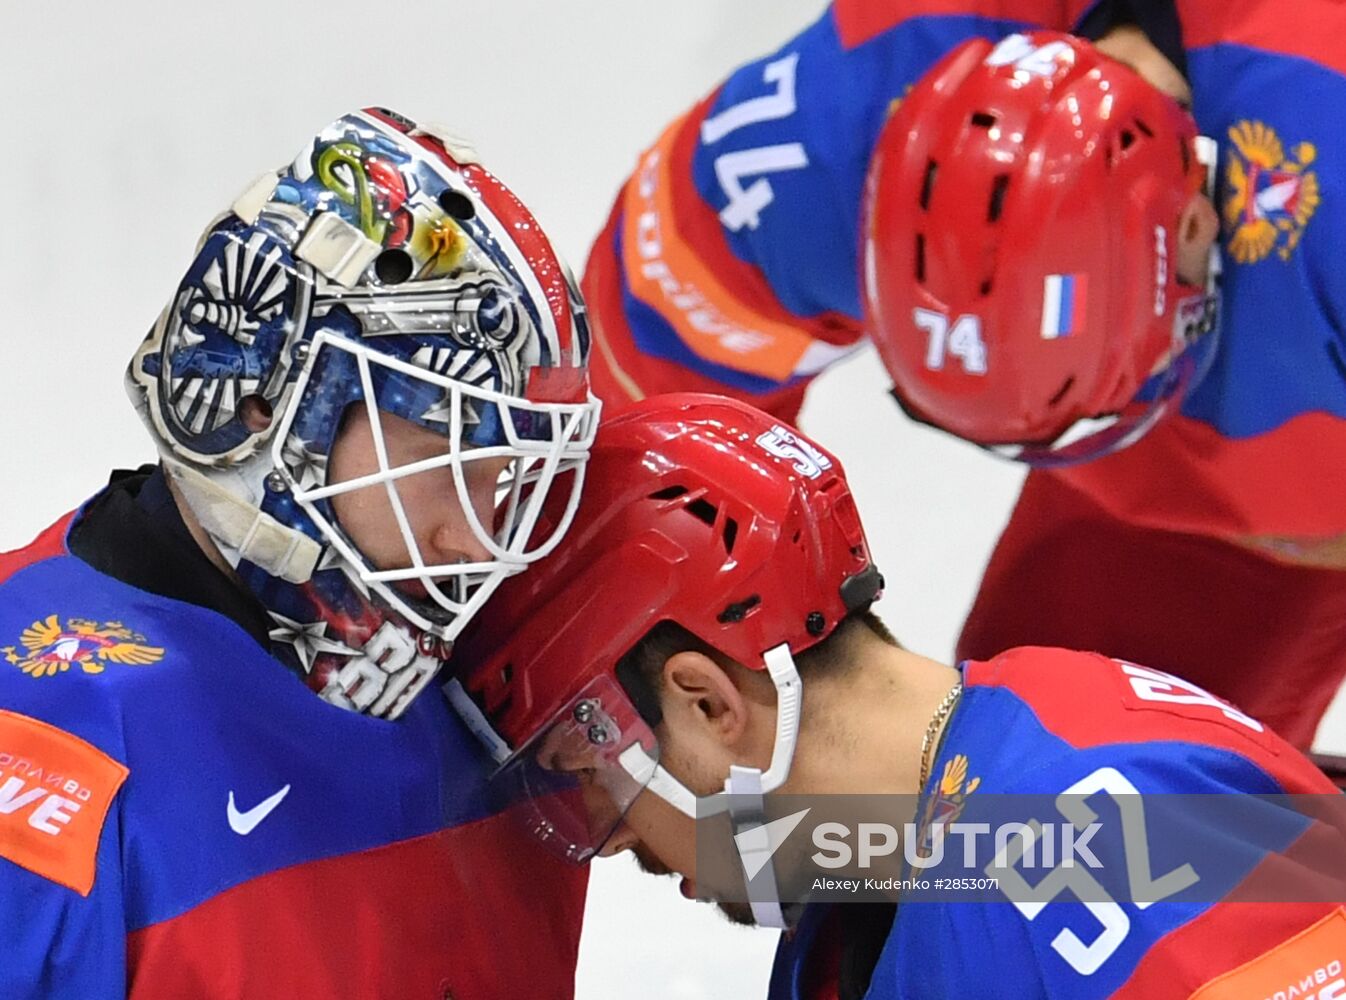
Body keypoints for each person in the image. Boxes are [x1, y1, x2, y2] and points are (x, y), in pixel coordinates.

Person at [579, 1, 1346, 751]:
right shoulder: (809, 149)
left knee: (1155, 827)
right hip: (1209, 464)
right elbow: (648, 429)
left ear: (1193, 226)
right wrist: (788, 669)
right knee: (1013, 795)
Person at [450, 393, 1346, 1000]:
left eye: (598, 779)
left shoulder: (1101, 822)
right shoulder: (850, 920)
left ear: (705, 705)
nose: (619, 843)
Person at [0, 107, 600, 997]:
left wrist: (889, 835)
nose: (475, 540)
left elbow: (796, 843)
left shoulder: (518, 650)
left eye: (507, 471)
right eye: (448, 449)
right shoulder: (42, 747)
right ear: (259, 399)